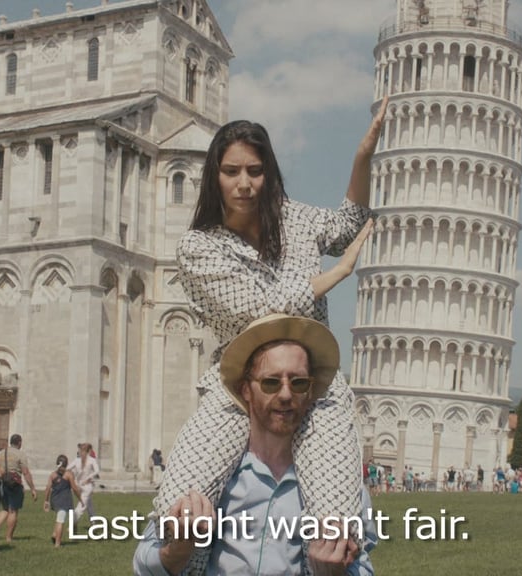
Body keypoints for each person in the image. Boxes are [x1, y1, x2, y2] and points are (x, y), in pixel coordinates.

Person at [154, 98, 387, 569]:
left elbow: (345, 226)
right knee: (180, 510)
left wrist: (363, 156)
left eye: (255, 171)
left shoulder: (294, 219)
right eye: (232, 170)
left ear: (269, 174)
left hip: (312, 384)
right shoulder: (198, 247)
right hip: (236, 385)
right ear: (214, 176)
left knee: (337, 529)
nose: (244, 183)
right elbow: (262, 310)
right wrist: (334, 275)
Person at [135, 314, 376, 575]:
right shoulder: (208, 471)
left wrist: (333, 573)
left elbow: (362, 567)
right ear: (245, 389)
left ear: (310, 392)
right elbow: (144, 565)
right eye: (271, 382)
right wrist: (179, 549)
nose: (285, 394)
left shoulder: (337, 484)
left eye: (298, 383)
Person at [0, 434, 38, 544]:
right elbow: (25, 472)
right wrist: (32, 488)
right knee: (13, 510)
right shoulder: (20, 454)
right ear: (19, 442)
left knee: (5, 508)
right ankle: (9, 537)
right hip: (15, 484)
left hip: (2, 483)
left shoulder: (0, 454)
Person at [43, 454, 82, 547]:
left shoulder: (52, 475)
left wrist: (46, 501)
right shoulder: (68, 474)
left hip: (55, 500)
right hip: (65, 500)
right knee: (61, 520)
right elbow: (74, 488)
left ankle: (54, 534)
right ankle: (57, 543)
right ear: (66, 464)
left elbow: (48, 488)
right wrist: (80, 498)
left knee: (59, 518)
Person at [68, 442, 100, 523]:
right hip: (81, 485)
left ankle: (73, 522)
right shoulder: (78, 460)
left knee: (83, 505)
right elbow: (68, 469)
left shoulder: (91, 460)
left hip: (87, 486)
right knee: (87, 504)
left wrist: (88, 478)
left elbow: (97, 471)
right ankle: (94, 522)